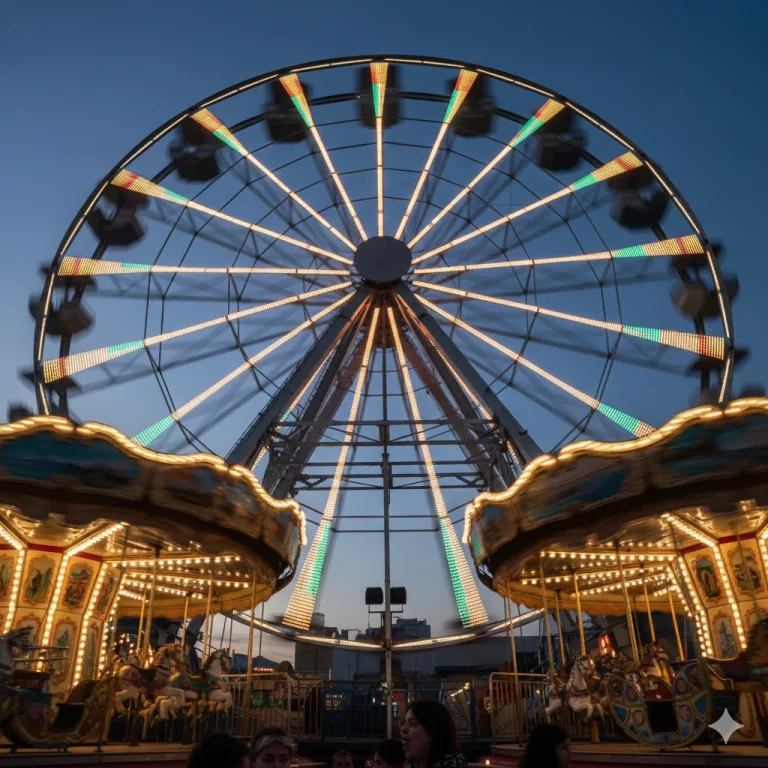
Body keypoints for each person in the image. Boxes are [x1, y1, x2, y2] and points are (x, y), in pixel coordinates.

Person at [401, 700, 467, 768]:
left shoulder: (453, 764)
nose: (403, 729)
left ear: (433, 730)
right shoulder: (408, 765)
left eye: (412, 723)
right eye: (403, 723)